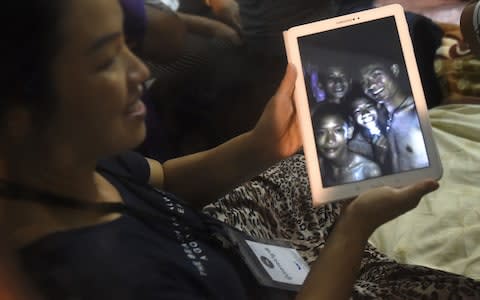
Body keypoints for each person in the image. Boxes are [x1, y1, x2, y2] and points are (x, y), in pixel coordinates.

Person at [0, 1, 467, 300]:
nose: (141, 70)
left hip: (239, 239)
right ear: (18, 110)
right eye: (105, 60)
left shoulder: (66, 163)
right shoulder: (107, 280)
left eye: (131, 45)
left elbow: (162, 179)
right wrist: (354, 228)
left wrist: (258, 146)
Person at [359, 62, 429, 172]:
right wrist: (382, 157)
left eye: (376, 75)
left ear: (394, 70)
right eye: (364, 82)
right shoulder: (382, 120)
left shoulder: (419, 113)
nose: (371, 85)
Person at [312, 104, 382, 186]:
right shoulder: (317, 168)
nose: (330, 140)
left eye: (338, 130)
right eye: (321, 133)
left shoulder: (369, 171)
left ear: (349, 132)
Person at [347, 94, 392, 173]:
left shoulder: (392, 126)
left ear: (377, 106)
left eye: (369, 106)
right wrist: (379, 156)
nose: (365, 113)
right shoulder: (355, 146)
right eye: (357, 111)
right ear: (353, 118)